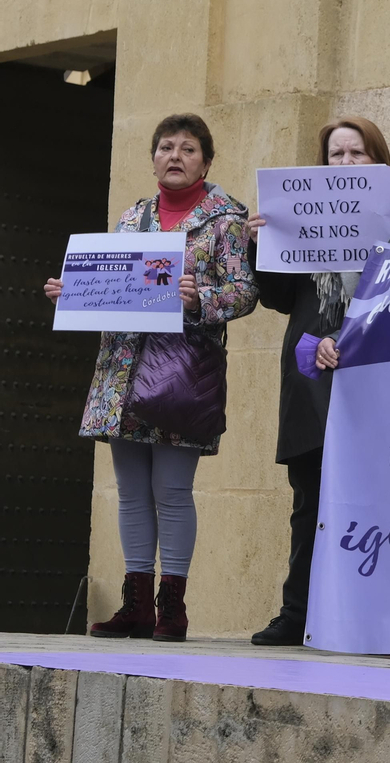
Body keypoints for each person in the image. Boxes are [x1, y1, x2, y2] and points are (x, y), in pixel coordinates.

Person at [44, 114, 258, 643]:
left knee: (172, 490)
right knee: (132, 492)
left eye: (188, 148)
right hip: (122, 370)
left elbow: (243, 292)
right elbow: (113, 284)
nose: (175, 156)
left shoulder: (225, 221)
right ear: (154, 158)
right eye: (166, 147)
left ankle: (172, 608)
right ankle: (136, 604)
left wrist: (200, 298)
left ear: (206, 161)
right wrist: (72, 295)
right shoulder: (133, 217)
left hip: (180, 374)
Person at [245, 117, 390, 646]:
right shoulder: (304, 213)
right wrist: (261, 244)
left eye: (357, 153)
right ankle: (298, 613)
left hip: (376, 373)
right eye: (336, 154)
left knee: (380, 494)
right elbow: (278, 297)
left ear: (378, 160)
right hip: (312, 374)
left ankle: (377, 612)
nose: (346, 163)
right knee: (309, 499)